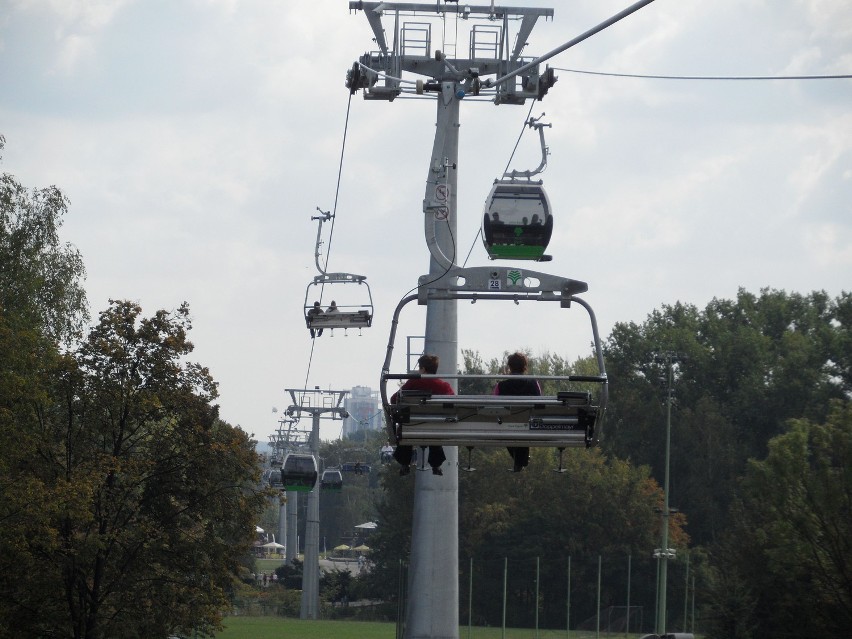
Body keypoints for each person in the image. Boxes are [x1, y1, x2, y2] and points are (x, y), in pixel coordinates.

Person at [391, 354, 454, 476]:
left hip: (412, 425)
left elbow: (394, 399)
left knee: (406, 431)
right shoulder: (443, 386)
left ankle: (405, 463)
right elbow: (453, 402)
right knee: (434, 435)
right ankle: (436, 464)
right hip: (436, 425)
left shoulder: (413, 383)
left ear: (423, 369)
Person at [494, 351, 541, 472]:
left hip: (506, 424)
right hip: (528, 422)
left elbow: (494, 405)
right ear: (524, 367)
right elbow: (539, 403)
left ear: (509, 367)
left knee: (510, 429)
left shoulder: (501, 386)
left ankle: (520, 461)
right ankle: (520, 461)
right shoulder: (533, 383)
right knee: (522, 429)